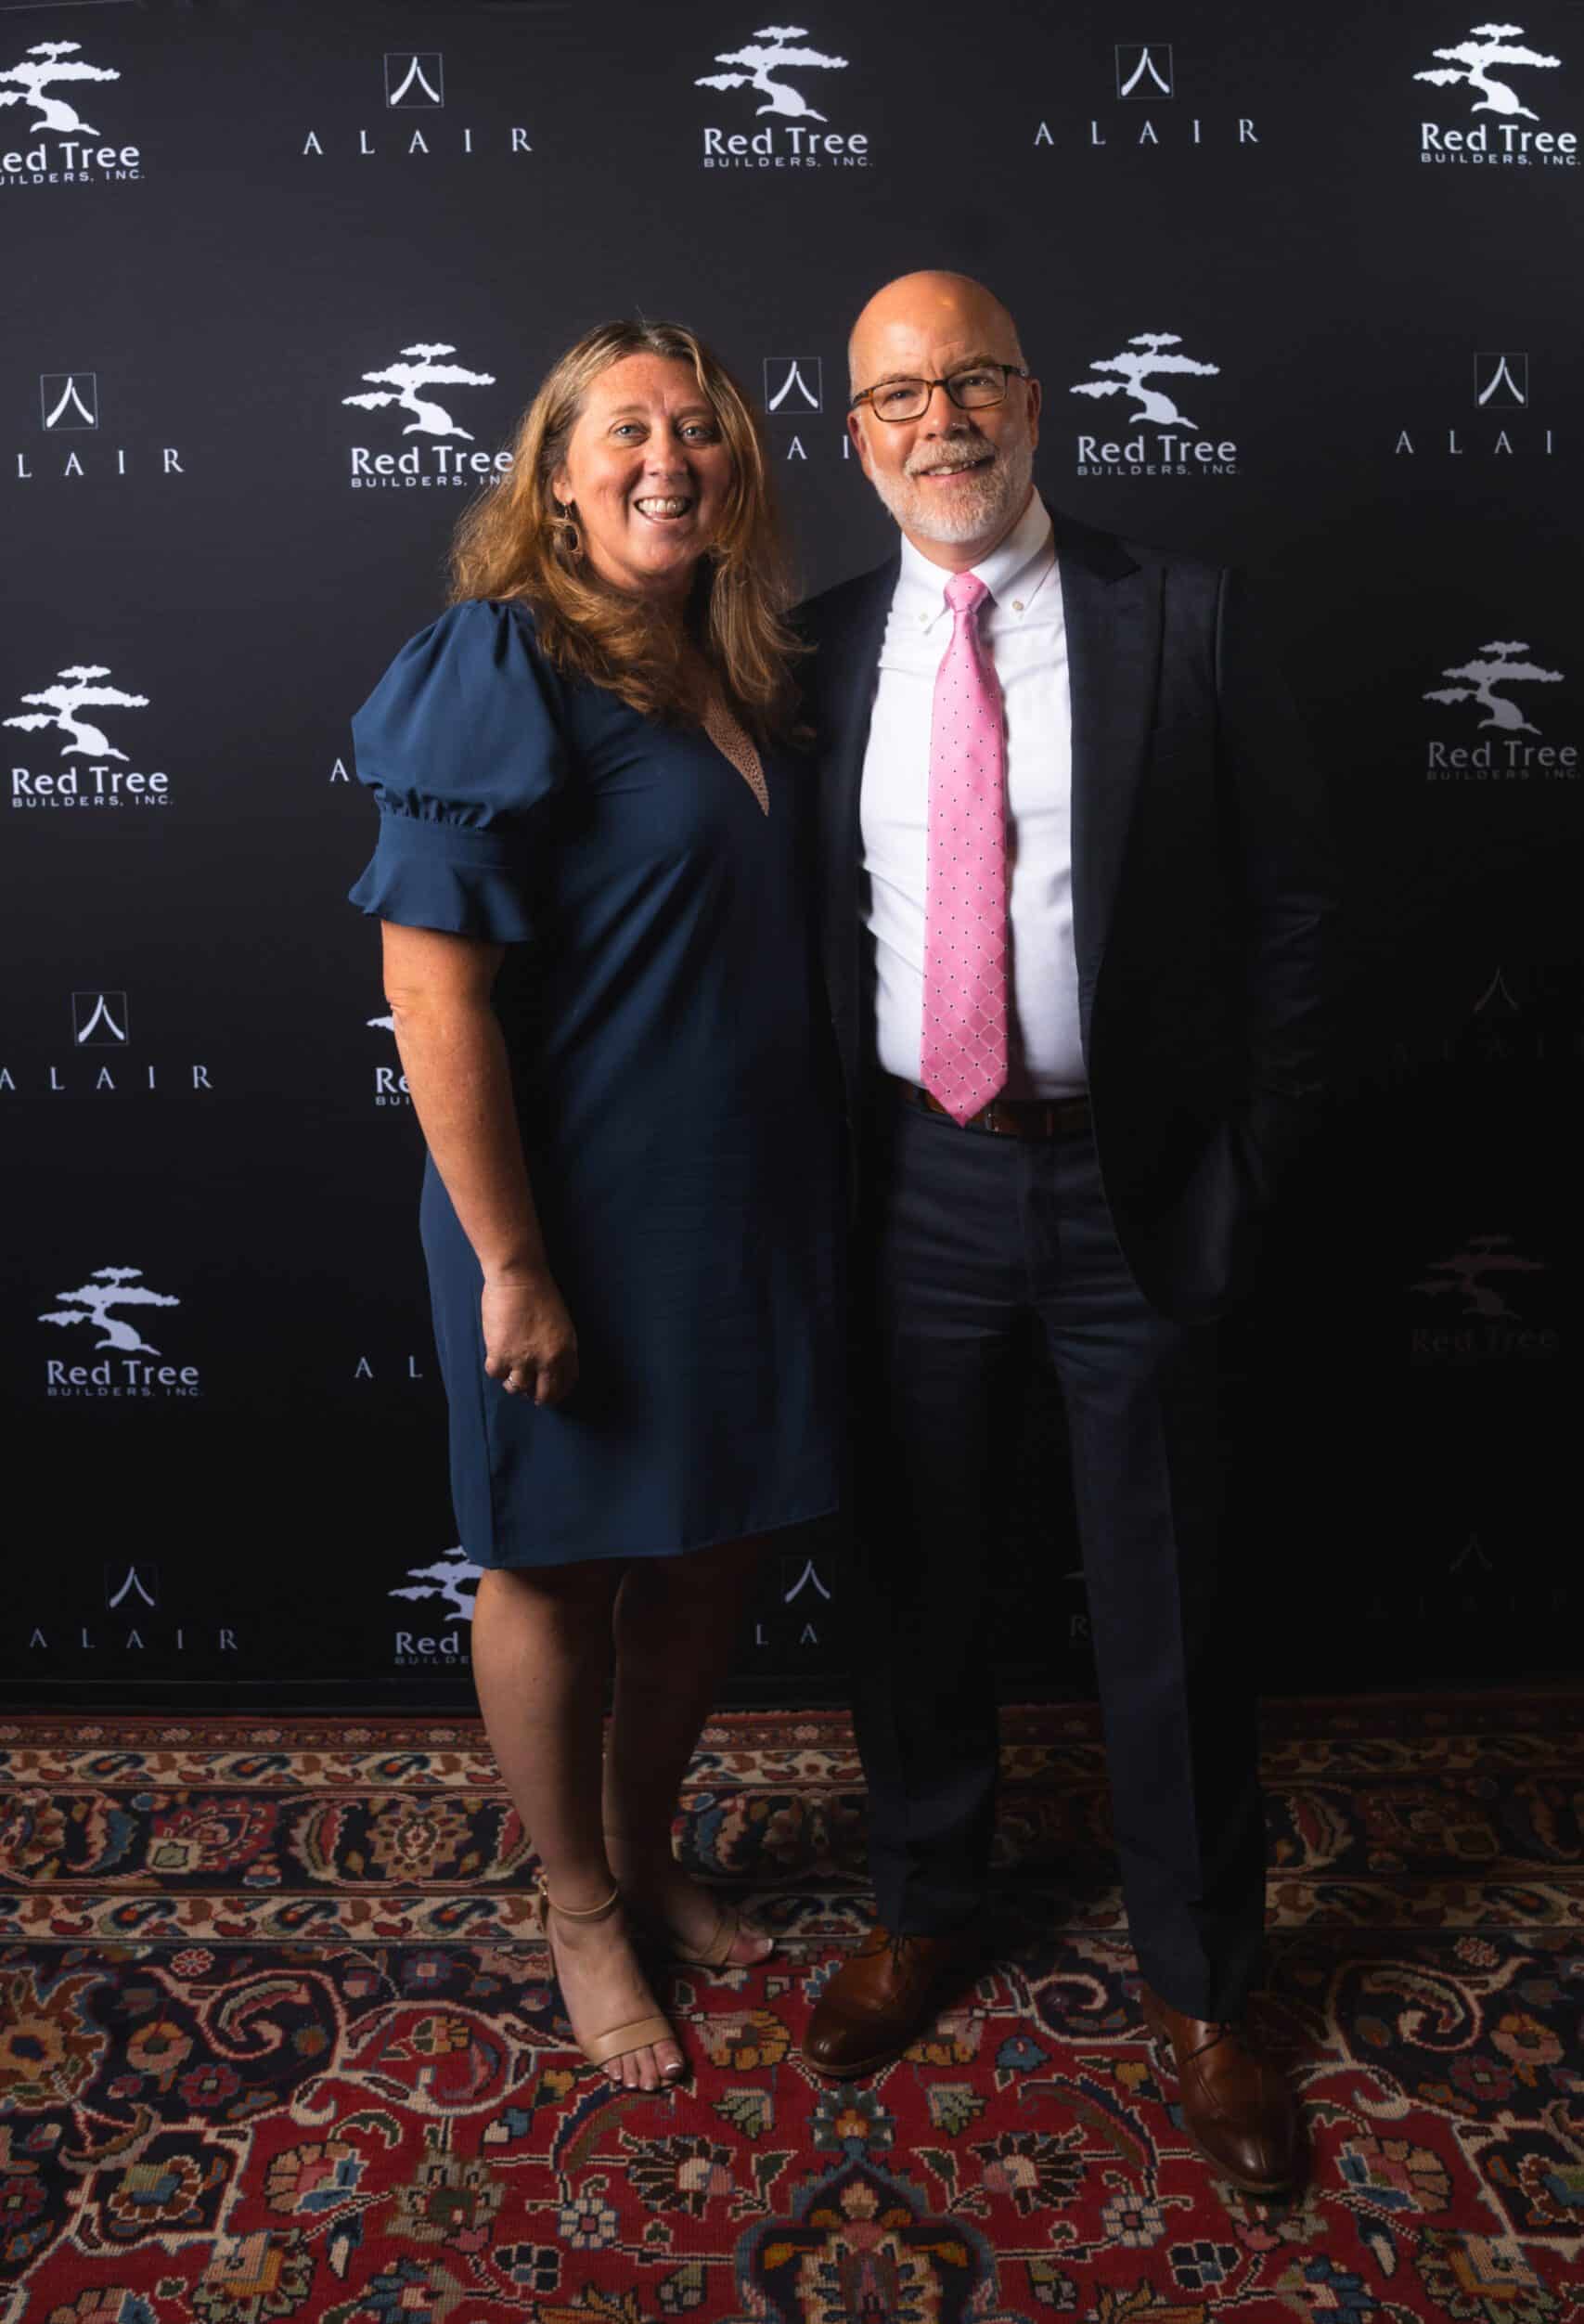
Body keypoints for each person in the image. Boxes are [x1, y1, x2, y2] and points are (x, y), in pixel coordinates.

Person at [797, 271, 1336, 2192]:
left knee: (1169, 1594)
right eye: (897, 395)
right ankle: (925, 1902)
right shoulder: (812, 649)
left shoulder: (1181, 616)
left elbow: (1289, 918)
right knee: (916, 1573)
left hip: (1135, 1184)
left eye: (973, 382)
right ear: (853, 434)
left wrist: (1238, 1171)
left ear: (1034, 405)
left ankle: (1203, 1984)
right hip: (911, 1182)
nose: (938, 420)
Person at [347, 320, 841, 2095]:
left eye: (697, 429)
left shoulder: (741, 669)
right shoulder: (499, 661)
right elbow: (432, 992)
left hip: (741, 1206)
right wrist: (513, 1262)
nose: (666, 458)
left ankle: (646, 1853)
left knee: (708, 1555)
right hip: (564, 1222)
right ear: (554, 476)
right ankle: (574, 1907)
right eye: (623, 429)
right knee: (554, 1567)